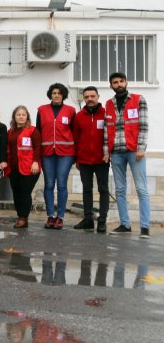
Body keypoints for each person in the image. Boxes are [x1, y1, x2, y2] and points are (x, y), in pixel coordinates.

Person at [105, 72, 150, 238]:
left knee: (141, 189)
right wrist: (106, 152)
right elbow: (106, 130)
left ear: (126, 82)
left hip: (134, 151)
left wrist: (141, 148)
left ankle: (145, 227)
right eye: (115, 82)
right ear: (111, 86)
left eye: (121, 81)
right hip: (116, 152)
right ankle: (125, 224)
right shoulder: (109, 104)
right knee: (120, 190)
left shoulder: (139, 99)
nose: (119, 84)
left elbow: (144, 126)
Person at [36, 83, 76, 230]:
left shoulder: (71, 111)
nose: (56, 95)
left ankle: (60, 217)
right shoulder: (41, 110)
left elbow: (75, 133)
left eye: (59, 93)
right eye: (54, 93)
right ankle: (50, 216)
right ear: (50, 95)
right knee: (49, 184)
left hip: (66, 153)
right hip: (47, 153)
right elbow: (38, 132)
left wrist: (76, 156)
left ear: (63, 95)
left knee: (61, 185)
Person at [72, 86, 109, 233]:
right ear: (84, 98)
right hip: (84, 160)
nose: (89, 99)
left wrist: (109, 154)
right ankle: (88, 219)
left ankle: (102, 220)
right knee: (87, 189)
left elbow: (110, 135)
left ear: (98, 97)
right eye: (86, 97)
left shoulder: (106, 114)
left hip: (102, 160)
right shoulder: (79, 116)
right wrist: (77, 159)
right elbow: (75, 138)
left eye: (92, 96)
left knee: (103, 189)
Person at [6, 106, 41, 228]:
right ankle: (20, 215)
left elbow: (38, 147)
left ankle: (23, 218)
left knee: (25, 193)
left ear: (27, 117)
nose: (21, 117)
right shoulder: (10, 131)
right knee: (16, 192)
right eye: (18, 115)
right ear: (14, 117)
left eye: (23, 115)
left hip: (29, 167)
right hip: (13, 167)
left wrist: (35, 162)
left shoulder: (33, 130)